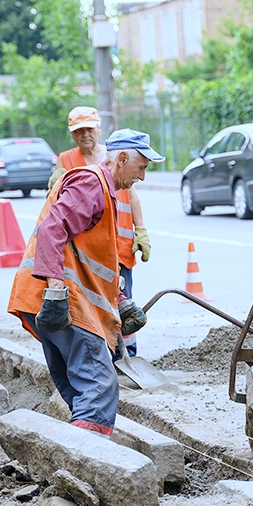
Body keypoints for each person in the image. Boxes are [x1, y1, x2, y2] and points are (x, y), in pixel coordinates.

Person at [9, 129, 163, 437]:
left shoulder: (102, 189)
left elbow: (87, 256)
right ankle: (91, 458)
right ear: (122, 158)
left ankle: (77, 452)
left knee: (77, 386)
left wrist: (118, 300)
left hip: (45, 298)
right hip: (61, 301)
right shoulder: (91, 183)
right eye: (142, 167)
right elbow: (53, 230)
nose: (142, 177)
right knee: (99, 385)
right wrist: (55, 292)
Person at [49, 107, 151, 357]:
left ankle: (128, 353)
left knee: (124, 300)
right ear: (72, 134)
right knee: (97, 300)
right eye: (78, 131)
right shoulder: (69, 161)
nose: (85, 135)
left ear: (98, 129)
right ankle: (106, 352)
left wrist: (140, 230)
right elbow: (56, 220)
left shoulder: (119, 153)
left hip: (119, 245)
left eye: (89, 129)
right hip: (89, 247)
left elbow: (132, 195)